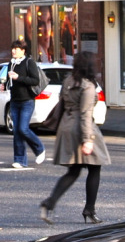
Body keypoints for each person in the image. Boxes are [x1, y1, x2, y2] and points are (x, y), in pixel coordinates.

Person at [39, 50, 110, 224]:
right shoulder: (88, 86)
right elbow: (85, 113)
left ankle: (50, 203)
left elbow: (63, 103)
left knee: (74, 170)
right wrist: (88, 140)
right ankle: (89, 210)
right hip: (82, 128)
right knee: (95, 168)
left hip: (66, 126)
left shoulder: (68, 81)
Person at [1, 38, 47, 169]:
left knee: (23, 128)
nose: (13, 51)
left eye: (16, 49)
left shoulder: (29, 62)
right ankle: (19, 160)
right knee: (17, 131)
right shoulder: (11, 63)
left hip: (27, 101)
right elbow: (10, 80)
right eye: (12, 49)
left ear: (23, 51)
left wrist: (18, 78)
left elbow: (34, 80)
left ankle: (39, 149)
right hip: (14, 101)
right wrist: (4, 85)